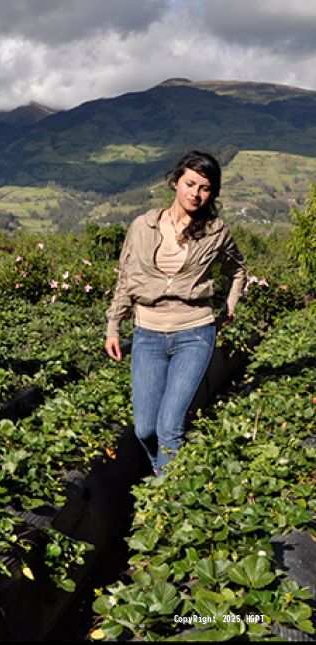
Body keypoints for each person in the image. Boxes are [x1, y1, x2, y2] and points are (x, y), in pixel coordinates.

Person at [104, 150, 247, 475]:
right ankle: (168, 483)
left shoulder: (215, 231)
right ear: (175, 182)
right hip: (148, 336)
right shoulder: (143, 225)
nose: (196, 194)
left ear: (213, 193)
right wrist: (114, 325)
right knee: (145, 430)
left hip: (194, 334)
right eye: (190, 184)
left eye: (205, 188)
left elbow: (238, 270)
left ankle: (166, 504)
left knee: (170, 427)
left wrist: (230, 306)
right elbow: (126, 277)